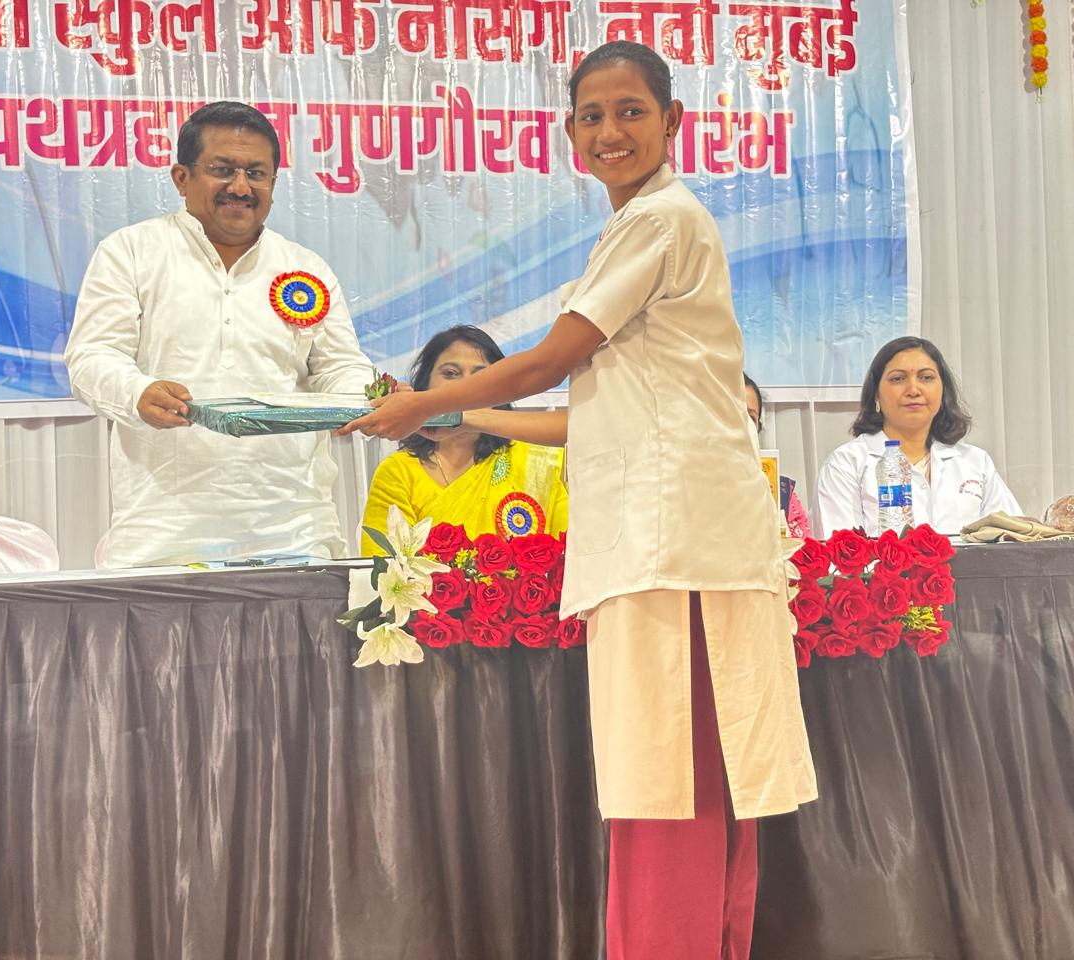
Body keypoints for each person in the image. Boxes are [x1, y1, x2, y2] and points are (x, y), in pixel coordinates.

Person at [342, 41, 816, 960]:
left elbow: (555, 359)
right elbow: (590, 412)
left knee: (670, 784)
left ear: (673, 122)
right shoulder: (643, 225)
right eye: (591, 116)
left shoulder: (657, 220)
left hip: (675, 549)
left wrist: (422, 404)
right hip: (683, 541)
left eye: (631, 111)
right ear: (568, 132)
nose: (610, 131)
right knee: (691, 782)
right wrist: (459, 413)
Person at [65, 101, 374, 567]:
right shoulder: (131, 251)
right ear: (181, 178)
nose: (241, 187)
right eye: (223, 170)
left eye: (256, 173)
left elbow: (338, 366)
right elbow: (93, 355)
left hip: (294, 526)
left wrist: (368, 398)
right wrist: (138, 392)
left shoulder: (305, 266)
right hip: (163, 532)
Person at [360, 326, 567, 553]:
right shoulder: (397, 473)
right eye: (450, 373)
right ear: (425, 385)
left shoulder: (542, 462)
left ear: (503, 390)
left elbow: (568, 555)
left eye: (481, 376)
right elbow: (384, 567)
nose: (466, 387)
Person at [815, 336, 1021, 537]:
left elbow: (1014, 540)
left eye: (926, 378)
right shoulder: (846, 463)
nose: (913, 390)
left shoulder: (975, 462)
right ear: (876, 393)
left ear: (943, 390)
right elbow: (837, 551)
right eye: (898, 379)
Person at [743, 374, 812, 538]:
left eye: (750, 417)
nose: (741, 425)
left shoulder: (782, 494)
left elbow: (801, 549)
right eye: (731, 414)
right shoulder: (687, 488)